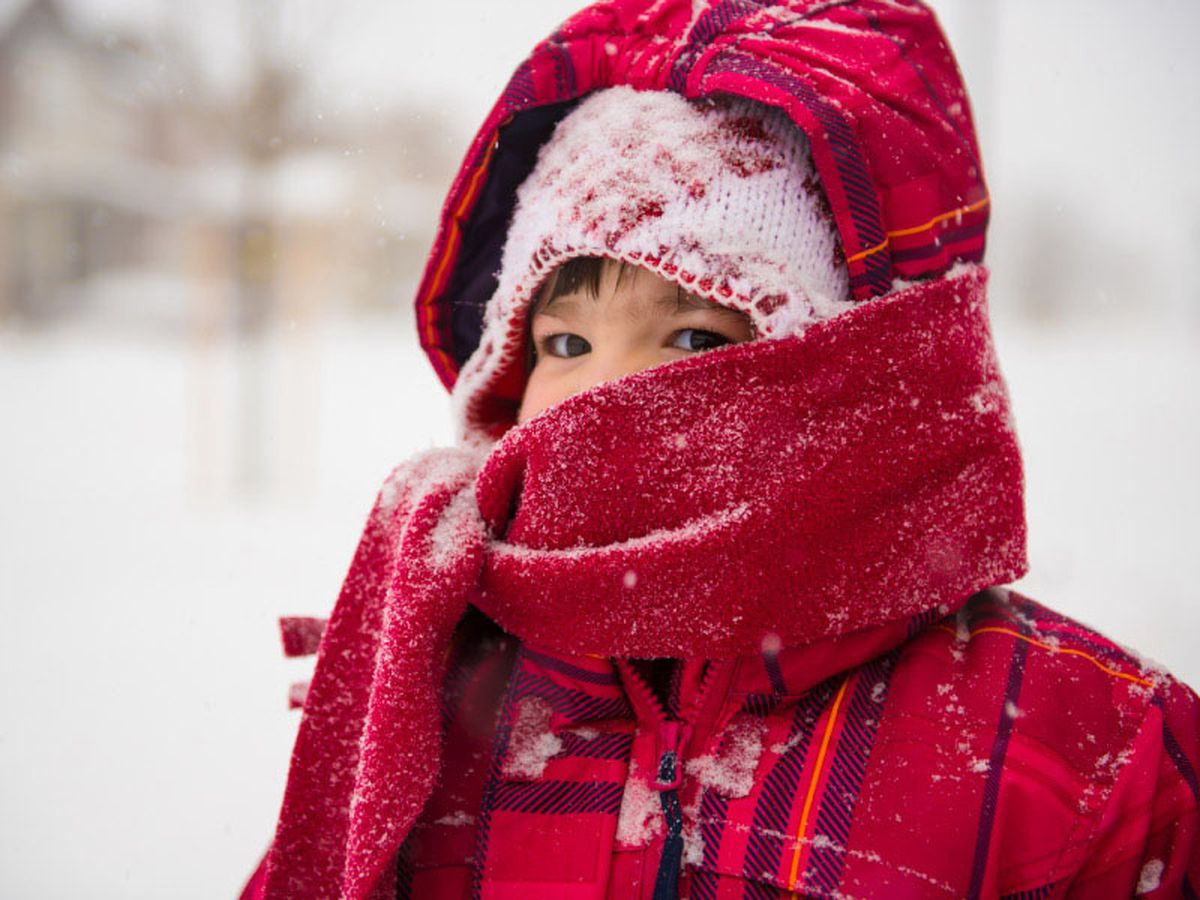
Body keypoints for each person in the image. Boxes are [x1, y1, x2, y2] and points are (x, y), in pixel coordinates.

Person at [242, 1, 1200, 897]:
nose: (605, 393)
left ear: (863, 381)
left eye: (696, 336)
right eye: (565, 344)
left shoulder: (1084, 750)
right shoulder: (430, 686)